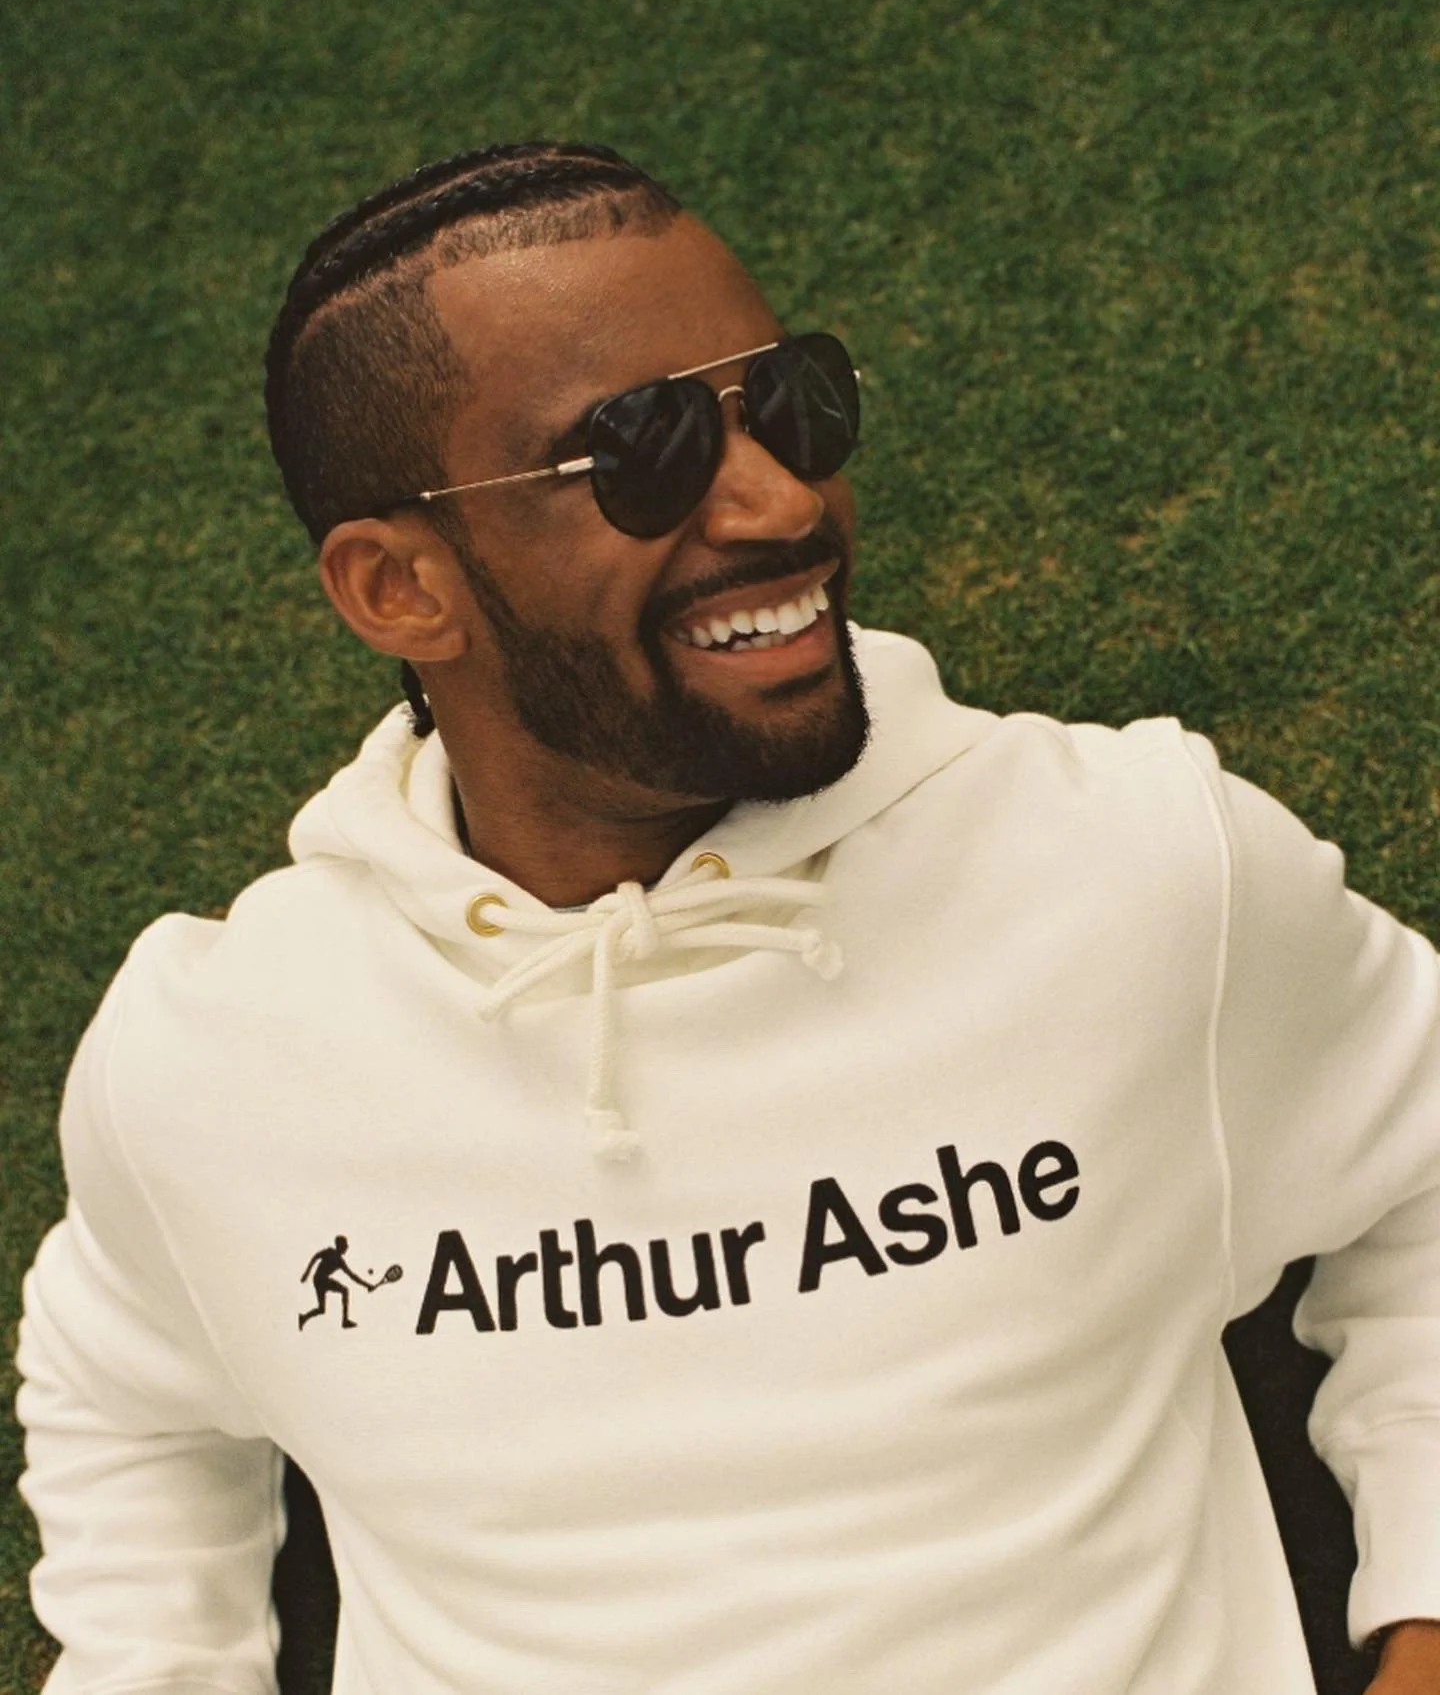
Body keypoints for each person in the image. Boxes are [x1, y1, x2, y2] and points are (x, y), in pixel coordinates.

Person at [14, 140, 1440, 1695]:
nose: (783, 502)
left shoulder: (1133, 877)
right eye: (646, 450)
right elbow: (121, 1398)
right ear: (400, 588)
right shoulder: (215, 1068)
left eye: (797, 404)